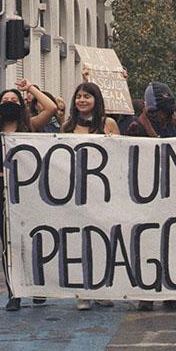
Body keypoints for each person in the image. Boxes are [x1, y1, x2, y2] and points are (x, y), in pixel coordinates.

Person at [0, 80, 56, 311]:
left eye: (14, 100)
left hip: (28, 190)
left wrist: (30, 89)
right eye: (5, 101)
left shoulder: (30, 126)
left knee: (34, 239)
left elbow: (51, 109)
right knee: (8, 242)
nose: (9, 103)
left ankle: (37, 288)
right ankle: (14, 291)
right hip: (1, 187)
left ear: (22, 105)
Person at [127, 82, 176, 311]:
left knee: (173, 242)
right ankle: (147, 292)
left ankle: (172, 291)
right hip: (144, 195)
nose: (162, 115)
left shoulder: (173, 125)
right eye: (158, 111)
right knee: (148, 243)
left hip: (172, 194)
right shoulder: (136, 126)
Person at [60, 82, 119, 309]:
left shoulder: (108, 124)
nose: (82, 100)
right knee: (79, 241)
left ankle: (102, 288)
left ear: (97, 100)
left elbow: (120, 155)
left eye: (87, 96)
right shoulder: (68, 127)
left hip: (102, 192)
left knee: (102, 240)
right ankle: (82, 291)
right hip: (76, 192)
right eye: (79, 96)